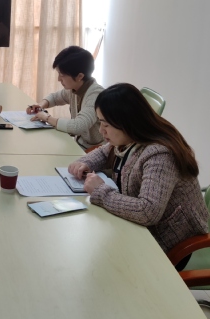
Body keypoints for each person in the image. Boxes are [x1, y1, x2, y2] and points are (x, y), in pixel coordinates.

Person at [68, 83, 208, 268]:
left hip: (171, 244)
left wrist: (101, 191)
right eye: (100, 122)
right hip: (142, 230)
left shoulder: (160, 155)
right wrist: (86, 162)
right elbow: (106, 150)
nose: (101, 131)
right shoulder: (132, 136)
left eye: (106, 124)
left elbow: (147, 211)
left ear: (127, 122)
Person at [27, 46, 105, 150]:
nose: (59, 79)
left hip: (96, 150)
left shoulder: (96, 95)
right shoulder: (74, 88)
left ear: (79, 76)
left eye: (62, 75)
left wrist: (46, 118)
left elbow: (77, 126)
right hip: (80, 145)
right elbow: (55, 97)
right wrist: (40, 105)